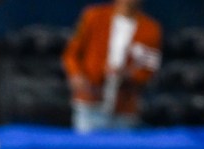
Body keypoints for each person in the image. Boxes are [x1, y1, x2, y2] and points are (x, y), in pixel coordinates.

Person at [62, 0, 162, 133]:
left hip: (125, 108)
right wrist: (76, 76)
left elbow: (149, 70)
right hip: (90, 102)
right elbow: (71, 54)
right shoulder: (94, 16)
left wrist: (127, 75)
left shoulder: (151, 29)